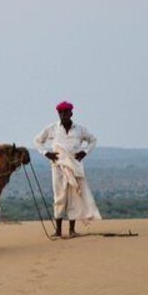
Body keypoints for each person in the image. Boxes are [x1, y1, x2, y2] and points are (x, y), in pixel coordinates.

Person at [34, 100, 101, 237]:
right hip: (58, 167)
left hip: (74, 166)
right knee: (59, 197)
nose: (63, 115)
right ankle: (58, 231)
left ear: (71, 113)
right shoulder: (52, 128)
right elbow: (37, 140)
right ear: (58, 114)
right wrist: (47, 153)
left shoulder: (80, 129)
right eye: (61, 113)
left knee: (74, 197)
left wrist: (85, 152)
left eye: (66, 112)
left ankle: (72, 230)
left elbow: (93, 140)